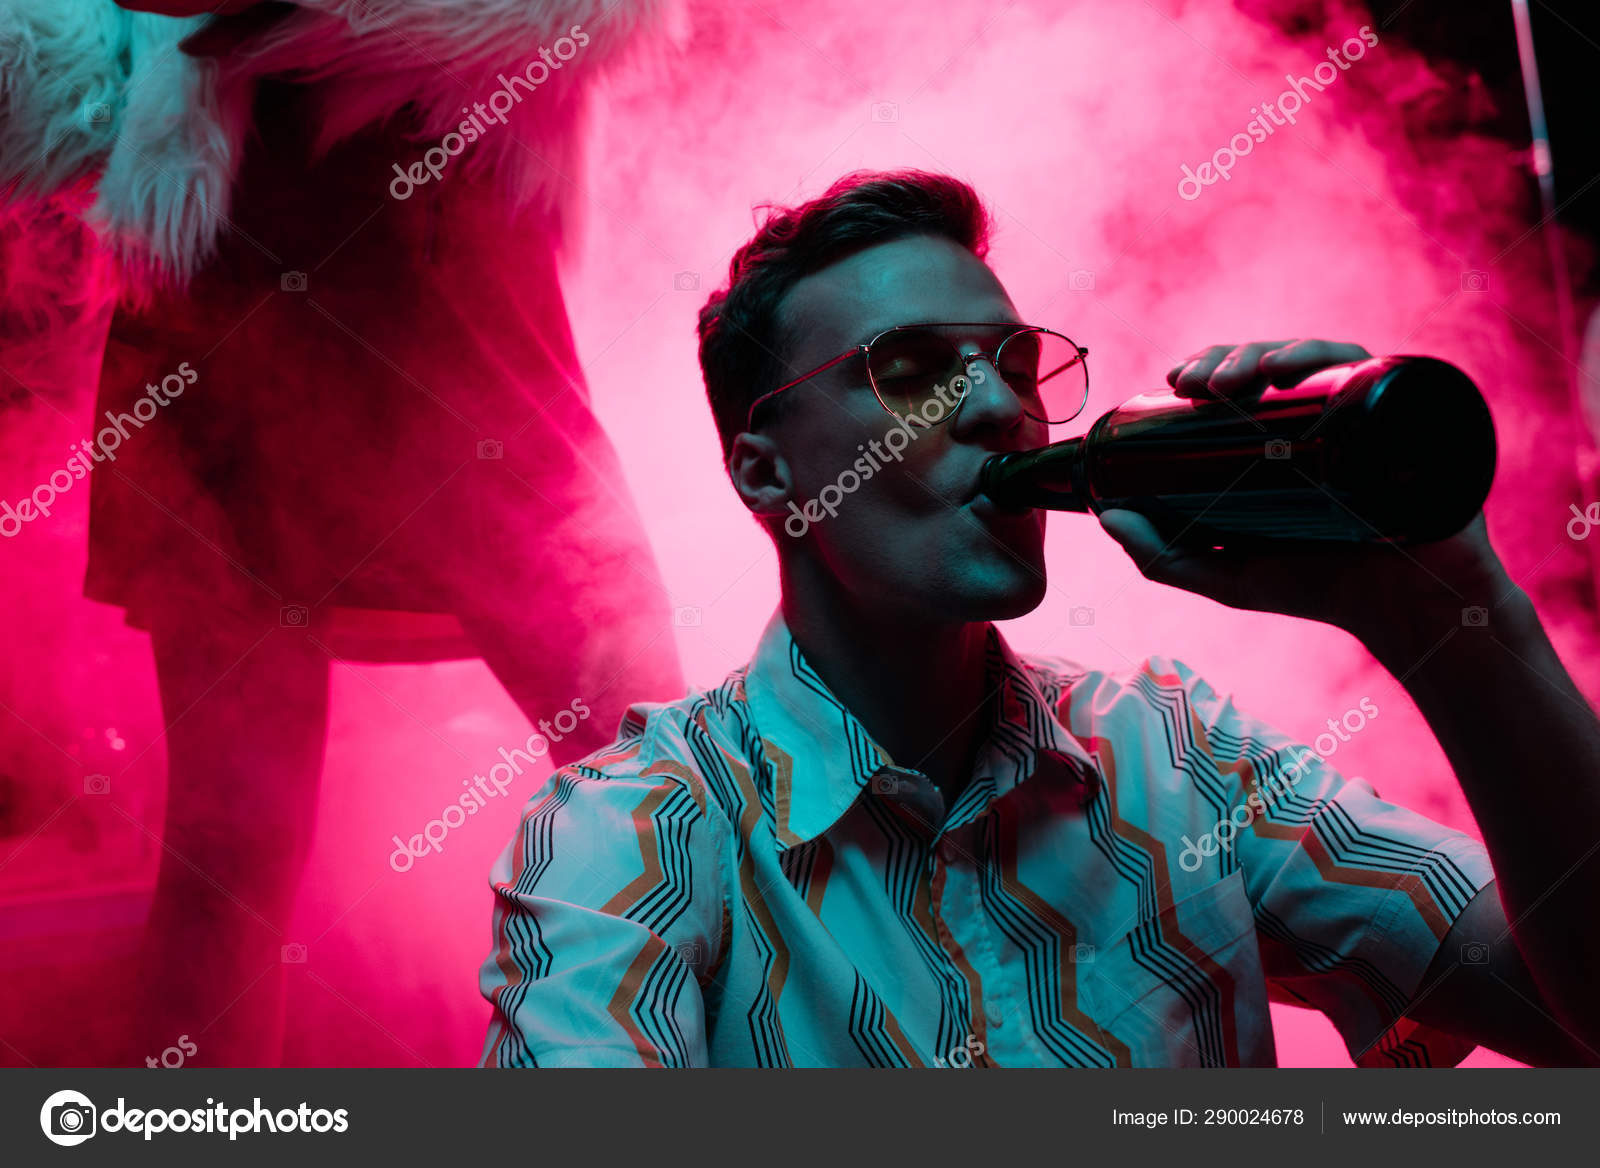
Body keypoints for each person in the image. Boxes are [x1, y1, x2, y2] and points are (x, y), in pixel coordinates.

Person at [477, 169, 1600, 1068]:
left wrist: (1451, 624)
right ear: (767, 477)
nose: (1002, 406)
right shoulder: (641, 828)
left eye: (1014, 361)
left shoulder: (1174, 756)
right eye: (912, 368)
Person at [0, 0, 684, 1066]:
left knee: (646, 762)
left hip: (440, 282)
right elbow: (82, 69)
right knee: (229, 847)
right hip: (224, 313)